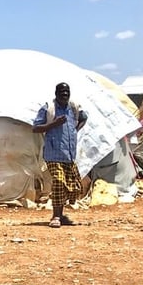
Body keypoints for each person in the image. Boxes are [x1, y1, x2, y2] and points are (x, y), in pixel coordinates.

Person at [32, 82, 87, 228]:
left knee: (73, 187)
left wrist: (75, 130)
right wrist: (53, 124)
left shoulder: (73, 108)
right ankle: (56, 216)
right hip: (53, 153)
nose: (64, 94)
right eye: (62, 92)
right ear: (56, 93)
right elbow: (35, 128)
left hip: (69, 154)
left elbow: (84, 118)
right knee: (58, 182)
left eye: (67, 92)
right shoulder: (48, 109)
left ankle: (61, 215)